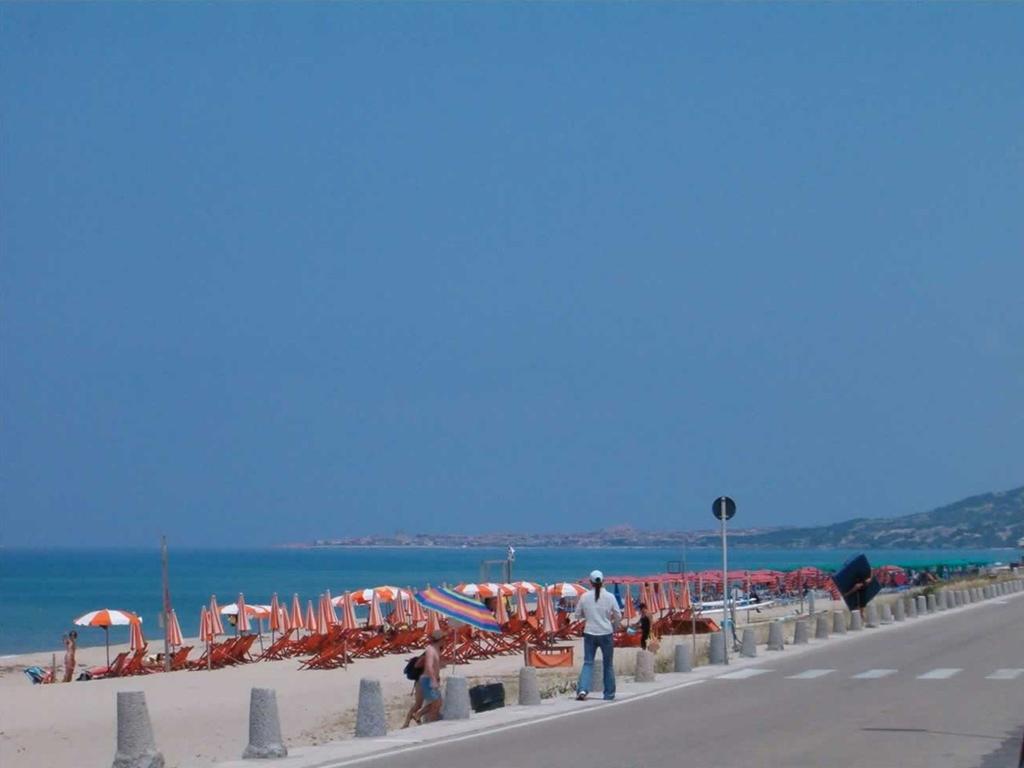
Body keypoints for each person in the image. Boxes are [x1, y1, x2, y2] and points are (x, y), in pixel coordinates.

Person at [574, 570, 621, 701]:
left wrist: (587, 615)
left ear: (590, 582)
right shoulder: (610, 597)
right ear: (603, 581)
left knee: (588, 663)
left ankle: (582, 689)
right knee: (608, 664)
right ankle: (609, 693)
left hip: (590, 632)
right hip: (606, 632)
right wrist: (614, 626)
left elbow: (577, 614)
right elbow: (618, 615)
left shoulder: (584, 597)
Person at [415, 629, 446, 723]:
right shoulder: (430, 649)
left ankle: (419, 714)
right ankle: (431, 721)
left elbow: (434, 665)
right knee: (436, 703)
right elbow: (429, 666)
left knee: (437, 703)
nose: (445, 641)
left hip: (431, 679)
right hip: (428, 680)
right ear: (441, 639)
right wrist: (433, 680)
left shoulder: (436, 649)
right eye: (444, 638)